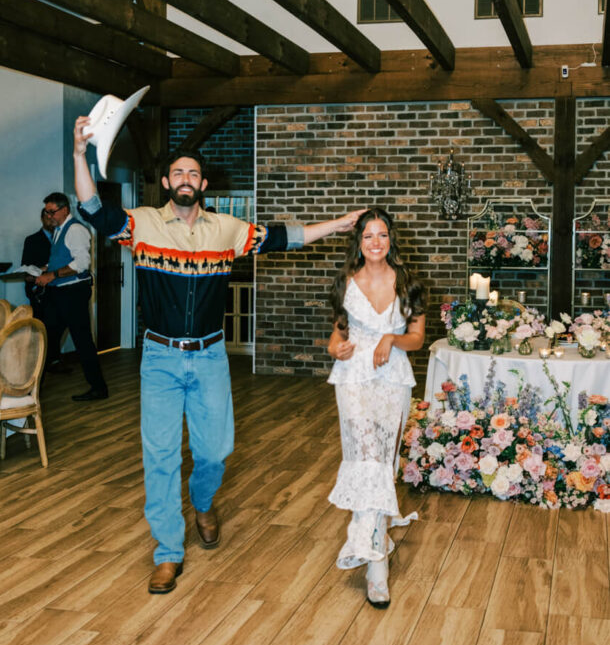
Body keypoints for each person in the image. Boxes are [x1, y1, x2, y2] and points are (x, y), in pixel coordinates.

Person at [72, 112, 364, 595]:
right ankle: (168, 551)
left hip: (209, 357)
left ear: (202, 183)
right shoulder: (140, 224)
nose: (185, 180)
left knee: (215, 450)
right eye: (177, 173)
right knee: (160, 455)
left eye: (193, 174)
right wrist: (79, 153)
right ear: (166, 182)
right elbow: (90, 208)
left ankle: (203, 501)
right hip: (160, 358)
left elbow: (281, 237)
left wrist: (338, 225)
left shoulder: (227, 229)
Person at [327, 207, 425, 609]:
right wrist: (337, 348)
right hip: (352, 377)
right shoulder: (345, 283)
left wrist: (391, 338)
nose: (375, 242)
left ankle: (373, 541)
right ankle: (376, 566)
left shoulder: (409, 284)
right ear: (359, 242)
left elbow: (417, 338)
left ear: (391, 240)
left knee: (382, 462)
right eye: (368, 236)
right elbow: (337, 336)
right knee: (365, 455)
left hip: (392, 378)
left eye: (382, 235)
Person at [34, 192, 108, 400]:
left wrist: (53, 275)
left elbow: (82, 264)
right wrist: (47, 268)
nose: (49, 216)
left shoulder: (75, 229)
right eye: (47, 212)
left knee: (81, 341)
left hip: (72, 293)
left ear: (64, 209)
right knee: (47, 338)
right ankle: (30, 388)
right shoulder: (59, 230)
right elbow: (64, 257)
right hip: (60, 293)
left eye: (52, 212)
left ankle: (98, 388)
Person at [22, 208, 55, 322]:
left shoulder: (62, 238)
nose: (51, 221)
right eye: (47, 218)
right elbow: (25, 269)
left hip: (60, 291)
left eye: (53, 218)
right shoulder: (31, 240)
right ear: (42, 219)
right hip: (40, 293)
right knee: (41, 330)